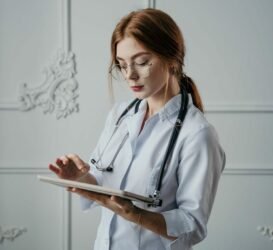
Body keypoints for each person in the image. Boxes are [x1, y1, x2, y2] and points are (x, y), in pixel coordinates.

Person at [49, 8, 226, 250]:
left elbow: (192, 225)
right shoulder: (120, 116)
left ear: (172, 59)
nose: (130, 75)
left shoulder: (197, 134)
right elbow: (102, 185)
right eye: (122, 65)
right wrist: (80, 178)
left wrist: (135, 214)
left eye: (142, 62)